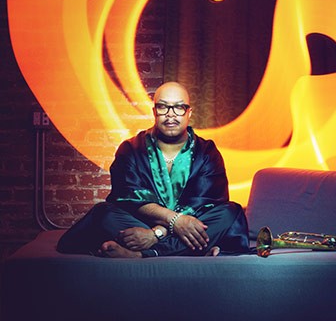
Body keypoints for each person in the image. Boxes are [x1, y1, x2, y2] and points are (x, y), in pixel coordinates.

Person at [57, 81, 250, 258]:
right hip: (139, 224)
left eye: (179, 107)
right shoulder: (131, 149)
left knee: (230, 212)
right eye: (163, 106)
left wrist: (156, 234)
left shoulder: (207, 152)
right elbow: (129, 198)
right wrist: (173, 222)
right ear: (154, 111)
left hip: (174, 227)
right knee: (104, 212)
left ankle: (143, 253)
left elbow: (205, 203)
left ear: (189, 112)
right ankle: (189, 249)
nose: (171, 114)